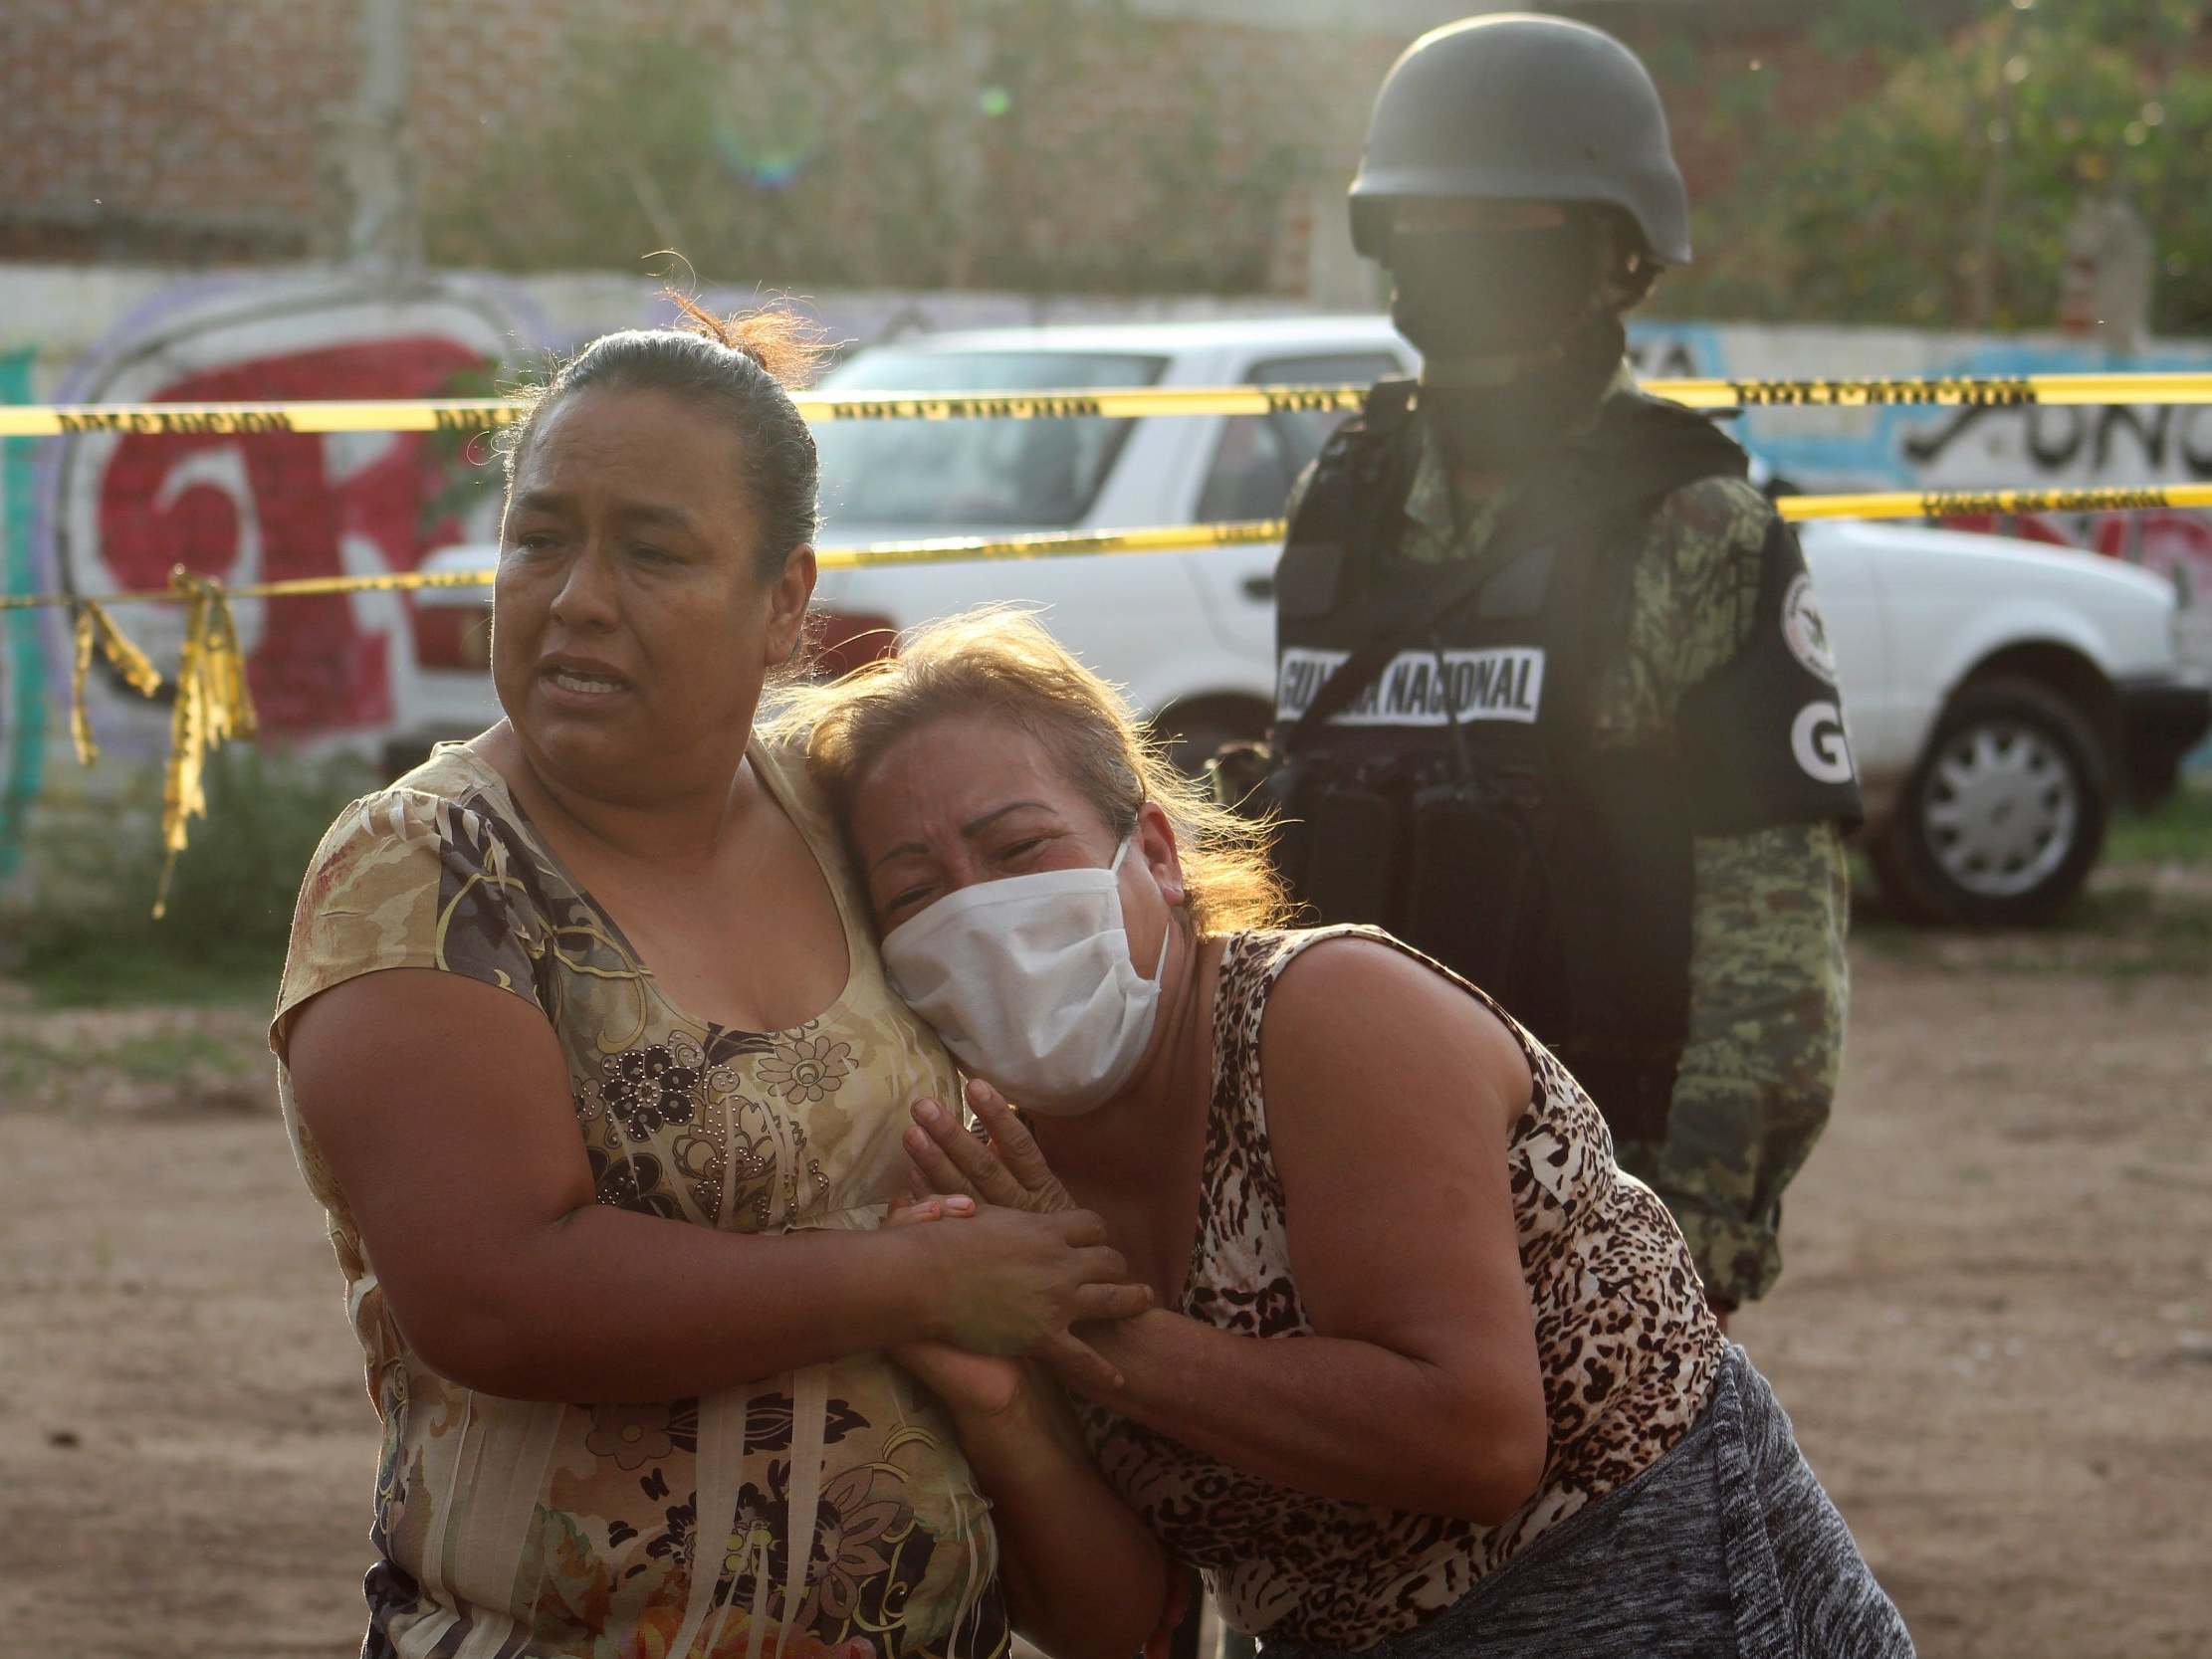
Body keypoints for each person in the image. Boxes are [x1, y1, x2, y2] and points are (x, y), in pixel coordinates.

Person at [269, 303, 1166, 1659]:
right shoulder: (429, 867)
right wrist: (917, 1281)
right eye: (540, 535)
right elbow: (498, 1292)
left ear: (784, 601)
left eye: (652, 550)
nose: (576, 595)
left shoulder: (849, 812)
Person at [777, 608, 1913, 1659]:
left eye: (1019, 848)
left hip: (1681, 1603)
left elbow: (1473, 1439)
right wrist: (1004, 1403)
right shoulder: (1000, 1181)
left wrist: (1095, 1339)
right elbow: (1130, 1623)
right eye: (916, 886)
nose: (979, 908)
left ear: (1158, 856)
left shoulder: (1324, 1014)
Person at [1251, 12, 1863, 1326]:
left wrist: (1677, 1253)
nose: (1458, 262)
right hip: (1331, 1201)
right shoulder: (1340, 502)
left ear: (1614, 259)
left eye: (1508, 228)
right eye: (1429, 225)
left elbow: (1772, 960)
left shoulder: (1691, 530)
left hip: (1587, 1218)